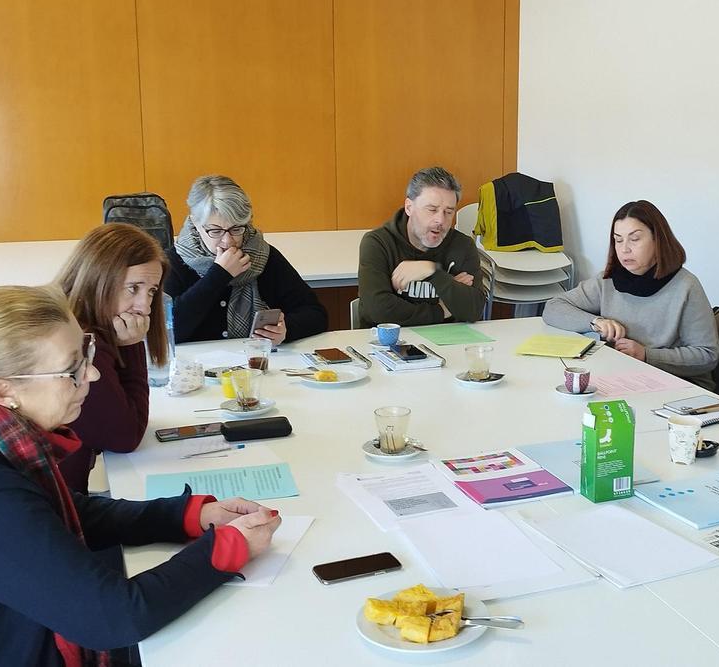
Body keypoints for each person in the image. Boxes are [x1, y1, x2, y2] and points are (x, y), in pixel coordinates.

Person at [0, 285, 281, 664]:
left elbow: (49, 516)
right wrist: (228, 547)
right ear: (4, 392)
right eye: (72, 369)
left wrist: (185, 515)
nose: (94, 373)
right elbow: (114, 616)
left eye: (86, 351)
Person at [542, 199, 719, 389]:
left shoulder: (686, 286)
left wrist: (646, 355)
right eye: (618, 240)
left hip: (677, 385)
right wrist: (596, 322)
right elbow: (553, 308)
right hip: (621, 376)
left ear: (657, 239)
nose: (625, 248)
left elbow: (707, 355)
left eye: (634, 239)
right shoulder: (608, 280)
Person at [54, 223, 165, 494]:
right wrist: (131, 346)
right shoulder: (81, 341)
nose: (145, 306)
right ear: (98, 278)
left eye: (151, 291)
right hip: (58, 507)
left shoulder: (67, 317)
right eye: (134, 288)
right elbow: (125, 436)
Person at [166, 174, 328, 344]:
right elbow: (167, 331)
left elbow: (316, 313)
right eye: (215, 231)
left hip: (253, 363)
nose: (228, 241)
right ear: (195, 224)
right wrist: (219, 275)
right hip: (195, 367)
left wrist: (286, 330)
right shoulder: (174, 262)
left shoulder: (262, 254)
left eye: (236, 229)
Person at [357, 166, 484, 327]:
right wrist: (442, 310)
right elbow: (378, 310)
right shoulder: (378, 243)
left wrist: (433, 272)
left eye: (449, 212)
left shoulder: (463, 245)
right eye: (432, 209)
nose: (440, 220)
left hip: (448, 343)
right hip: (389, 344)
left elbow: (474, 309)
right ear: (409, 207)